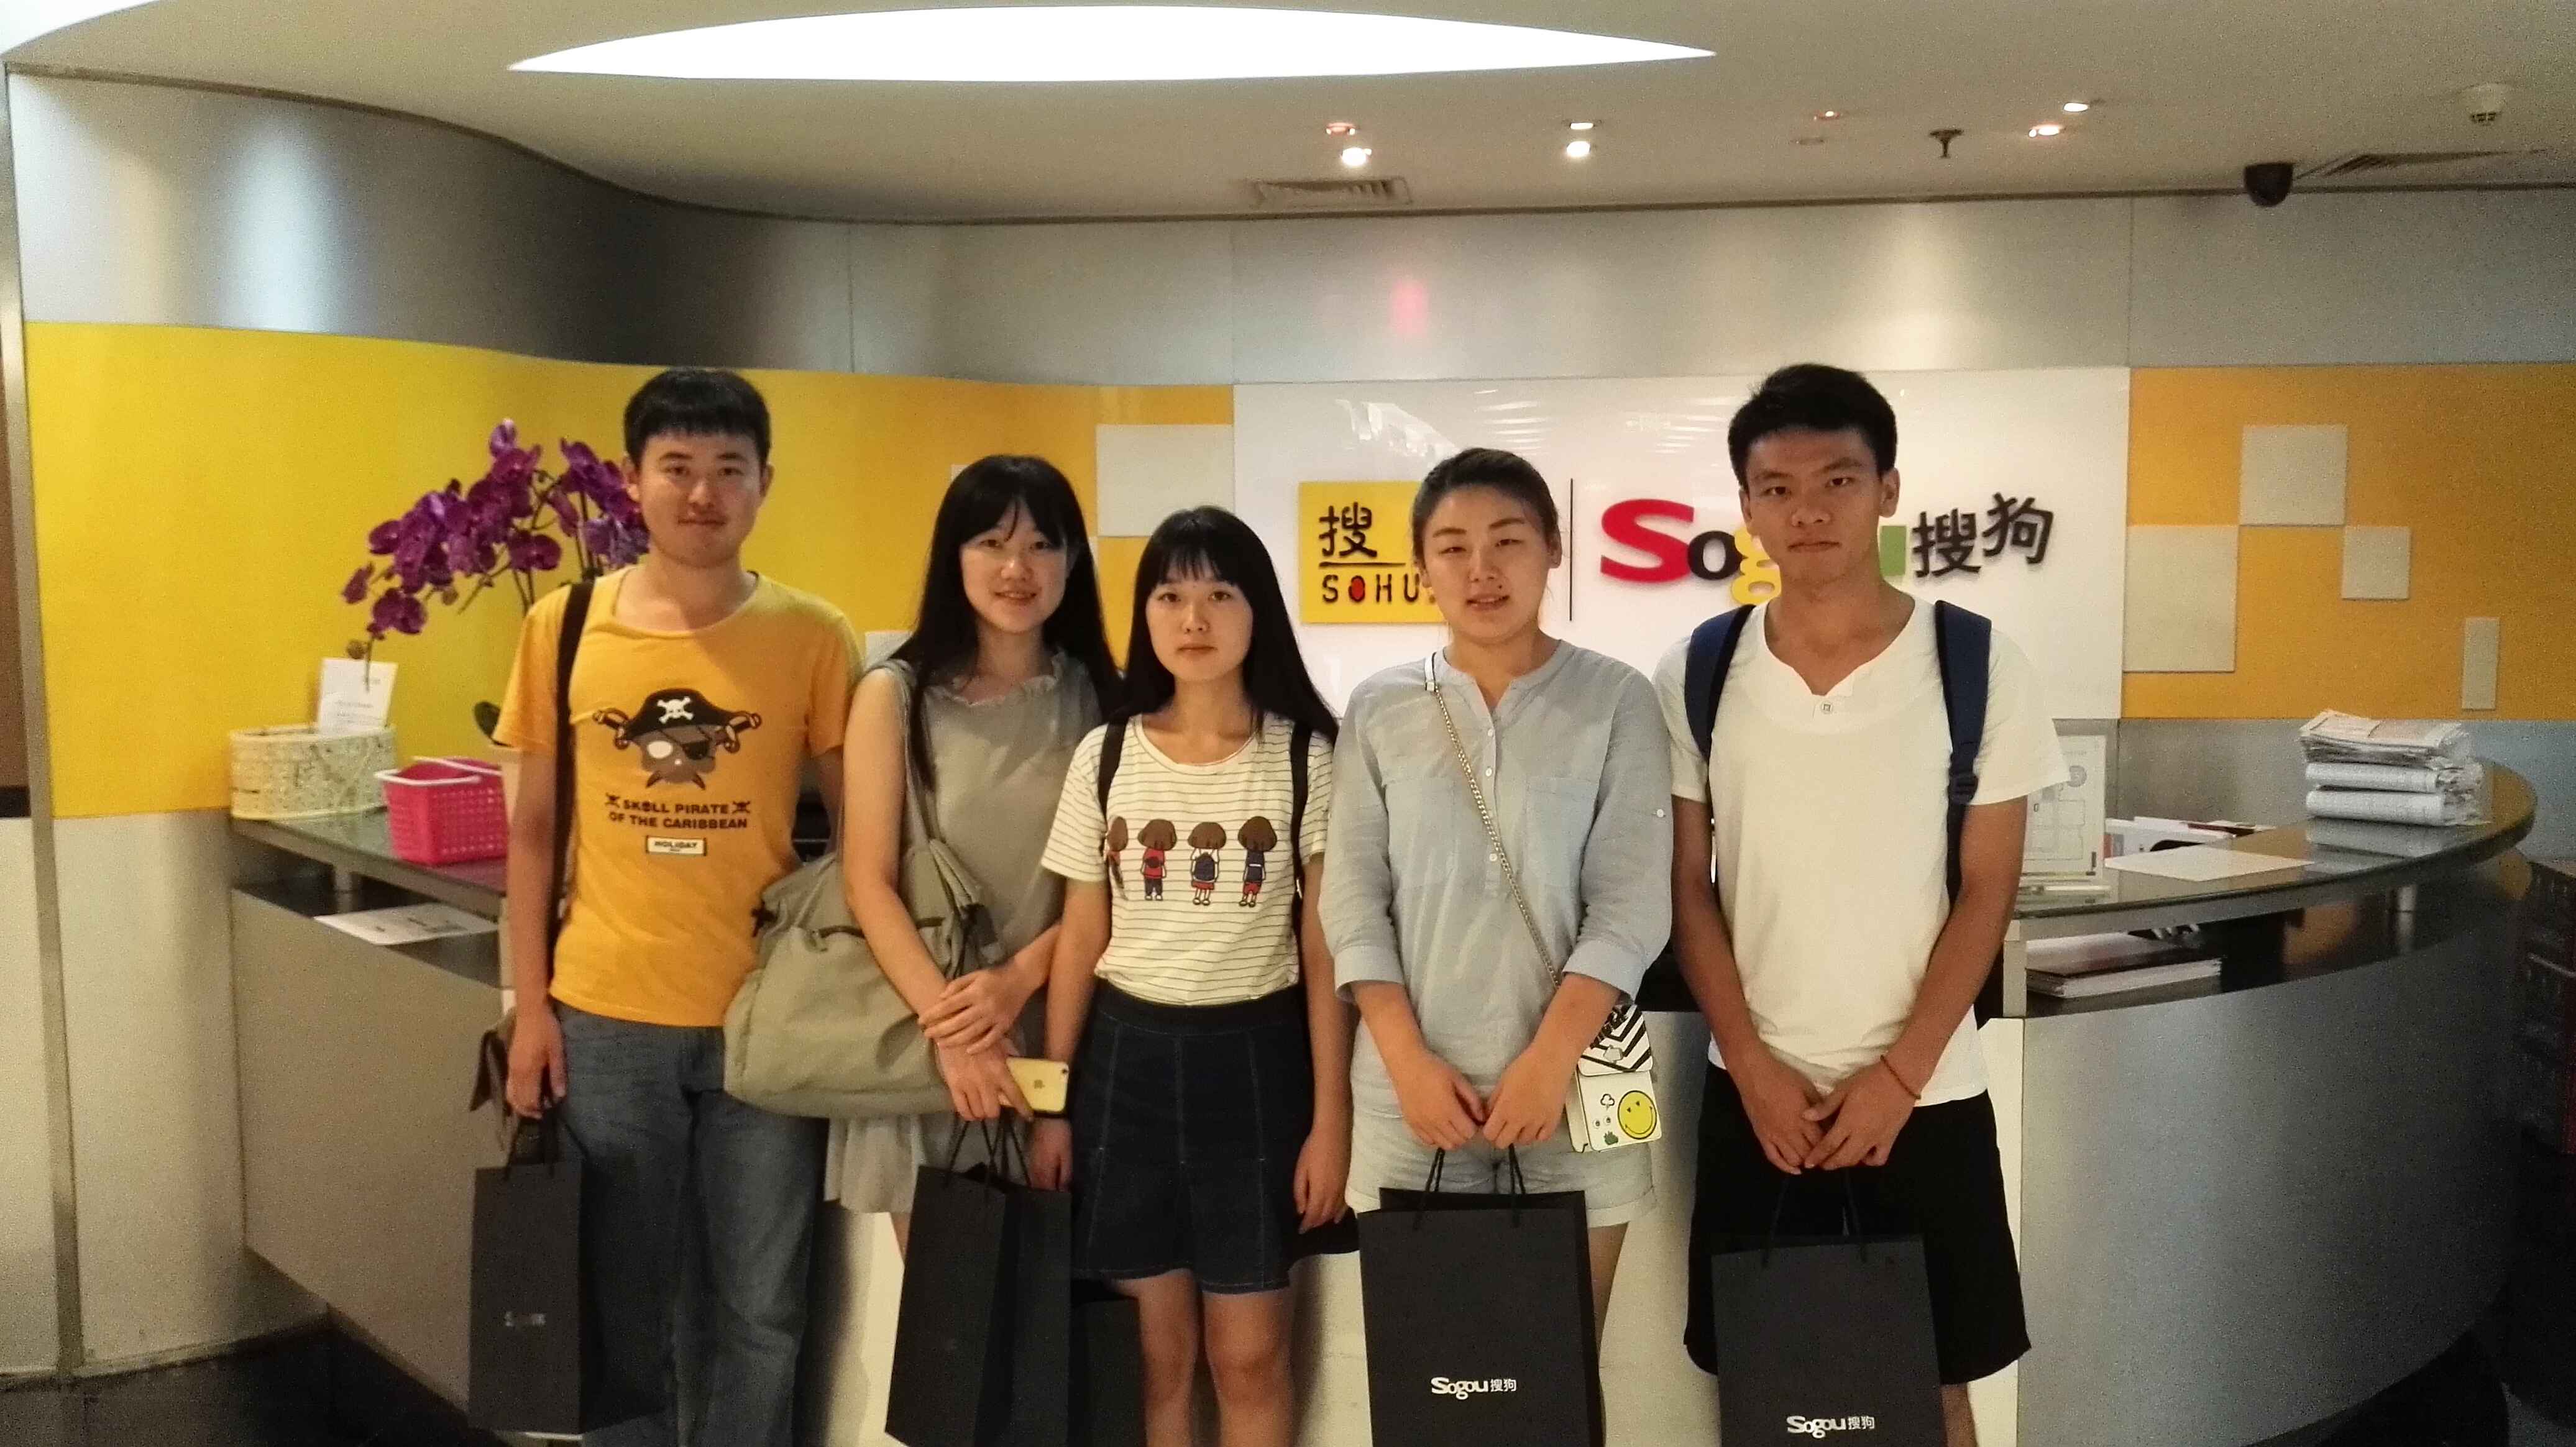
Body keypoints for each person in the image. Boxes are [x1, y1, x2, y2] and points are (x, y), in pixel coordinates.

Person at [1661, 364, 2067, 1447]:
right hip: (1758, 1097)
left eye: (1838, 479)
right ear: (1747, 508)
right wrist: (1752, 1063)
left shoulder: (1977, 661)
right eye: (1778, 487)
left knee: (1934, 1390)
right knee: (1770, 1384)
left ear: (1888, 489)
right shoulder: (1700, 670)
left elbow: (1988, 887)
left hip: (1927, 1098)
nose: (1809, 509)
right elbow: (1687, 884)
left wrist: (1897, 1078)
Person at [497, 367, 860, 1447]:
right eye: (678, 467)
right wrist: (530, 1007)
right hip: (606, 1016)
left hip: (768, 1025)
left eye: (728, 469)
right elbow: (532, 831)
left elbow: (861, 837)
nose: (703, 493)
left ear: (764, 484)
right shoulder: (564, 627)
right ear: (634, 480)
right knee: (626, 1310)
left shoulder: (815, 635)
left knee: (761, 1312)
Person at [1322, 447, 1673, 1333]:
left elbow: (1631, 902)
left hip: (1575, 1093)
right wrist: (1406, 1063)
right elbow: (1353, 899)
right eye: (1452, 547)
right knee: (1432, 1377)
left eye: (1508, 540)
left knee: (1557, 1373)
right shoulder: (1379, 706)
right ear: (1421, 566)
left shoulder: (1617, 699)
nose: (1480, 568)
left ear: (1553, 548)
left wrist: (1549, 1060)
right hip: (1411, 1103)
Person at [1028, 506, 1353, 1447]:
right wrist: (1050, 1105)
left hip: (1257, 1068)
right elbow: (1079, 937)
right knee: (1152, 1358)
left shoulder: (1305, 758)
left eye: (1219, 593)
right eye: (1169, 595)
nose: (1194, 617)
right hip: (1122, 1069)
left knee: (1249, 1357)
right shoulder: (1106, 753)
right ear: (1144, 614)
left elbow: (1326, 953)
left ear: (1260, 612)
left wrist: (1331, 1121)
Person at [826, 455, 1120, 1241]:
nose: (1016, 568)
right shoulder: (893, 695)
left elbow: (1121, 888)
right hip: (934, 1034)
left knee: (1078, 1301)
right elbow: (867, 882)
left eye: (1041, 545)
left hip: (1070, 1025)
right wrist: (958, 1036)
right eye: (991, 543)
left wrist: (1016, 982)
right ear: (953, 557)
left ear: (1072, 561)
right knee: (953, 1300)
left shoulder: (1105, 698)